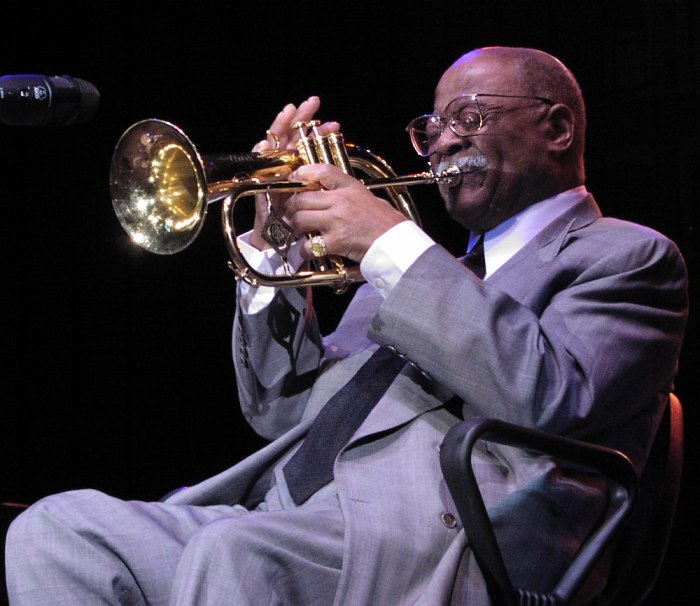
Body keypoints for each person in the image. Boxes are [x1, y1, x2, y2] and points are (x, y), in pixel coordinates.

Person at [5, 46, 688, 605]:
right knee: (57, 530)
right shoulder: (415, 272)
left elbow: (552, 398)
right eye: (433, 126)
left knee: (238, 555)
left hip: (454, 545)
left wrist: (389, 244)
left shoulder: (627, 257)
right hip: (289, 522)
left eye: (470, 118)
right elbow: (283, 413)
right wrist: (276, 251)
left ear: (558, 128)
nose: (445, 140)